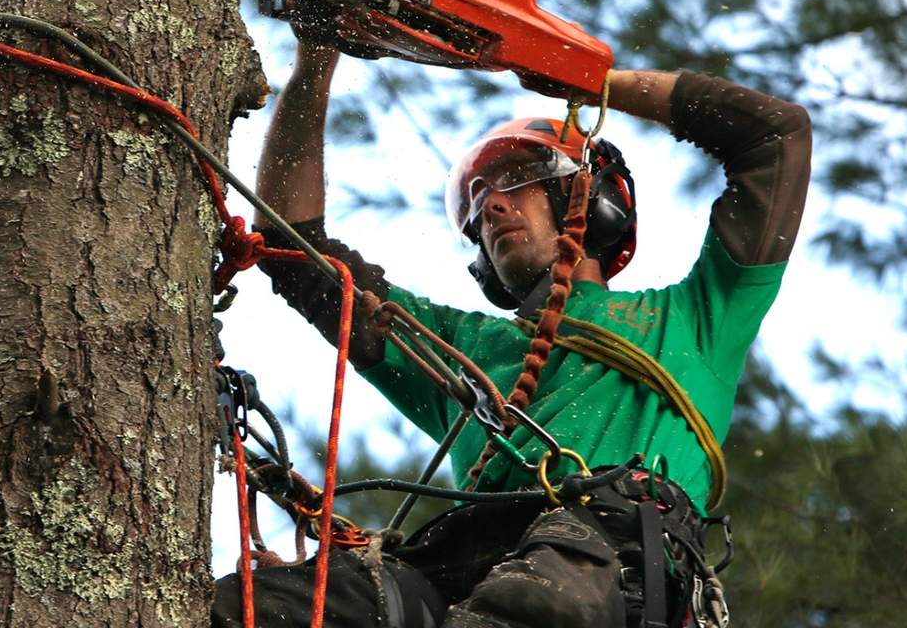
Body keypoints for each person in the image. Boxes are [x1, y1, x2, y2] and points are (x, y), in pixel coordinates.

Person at [212, 40, 811, 628]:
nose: (491, 207)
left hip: (604, 559)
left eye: (518, 178)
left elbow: (775, 137)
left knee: (539, 597)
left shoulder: (696, 318)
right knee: (275, 604)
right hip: (460, 566)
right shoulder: (460, 349)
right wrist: (316, 59)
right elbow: (295, 251)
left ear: (591, 196)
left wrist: (596, 84)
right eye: (478, 199)